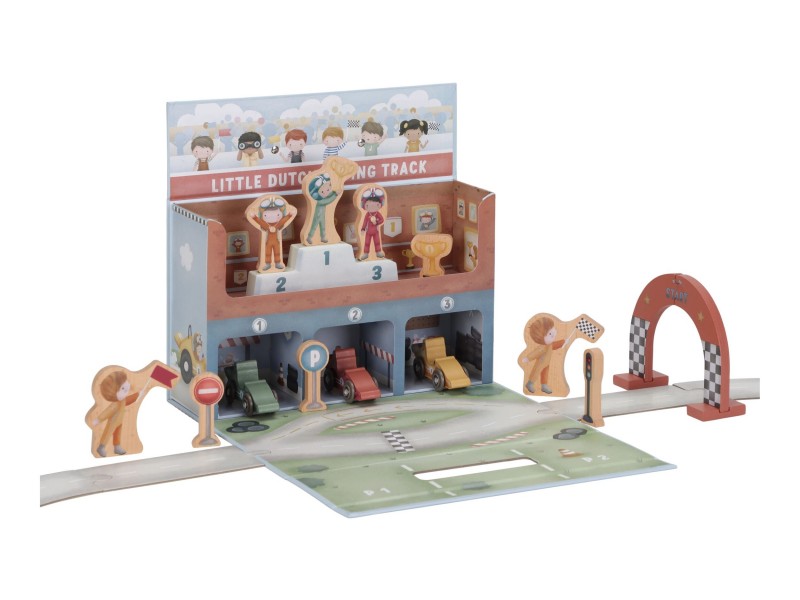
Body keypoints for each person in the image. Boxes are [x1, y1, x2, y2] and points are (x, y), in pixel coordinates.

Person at [91, 371, 141, 457]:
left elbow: (129, 400)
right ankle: (101, 447)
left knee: (117, 434)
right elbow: (107, 412)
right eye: (123, 389)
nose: (126, 390)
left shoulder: (122, 400)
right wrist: (98, 419)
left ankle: (117, 447)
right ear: (113, 392)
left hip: (119, 421)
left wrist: (138, 394)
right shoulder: (115, 404)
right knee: (108, 433)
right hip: (113, 422)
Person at [520, 317, 566, 394]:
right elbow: (535, 353)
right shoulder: (542, 347)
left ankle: (544, 385)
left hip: (547, 362)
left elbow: (556, 345)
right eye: (550, 334)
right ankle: (530, 383)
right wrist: (528, 358)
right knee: (536, 372)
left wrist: (564, 342)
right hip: (541, 362)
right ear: (541, 337)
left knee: (545, 374)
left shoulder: (550, 345)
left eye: (553, 330)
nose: (553, 334)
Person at [248, 196, 294, 270]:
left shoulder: (277, 225)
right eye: (266, 215)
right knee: (268, 253)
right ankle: (268, 264)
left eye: (277, 215)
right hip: (268, 242)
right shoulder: (267, 226)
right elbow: (260, 222)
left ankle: (277, 263)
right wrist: (254, 217)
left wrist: (289, 215)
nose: (272, 217)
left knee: (277, 252)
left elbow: (283, 220)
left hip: (276, 242)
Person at [305, 173, 337, 243]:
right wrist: (335, 195)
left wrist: (334, 192)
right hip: (317, 215)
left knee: (323, 226)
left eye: (329, 187)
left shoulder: (323, 196)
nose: (328, 191)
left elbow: (328, 194)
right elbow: (327, 201)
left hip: (322, 215)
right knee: (314, 225)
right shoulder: (319, 201)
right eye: (324, 191)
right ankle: (309, 237)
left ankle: (323, 237)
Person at [359, 187, 386, 260]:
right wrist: (363, 229)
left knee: (377, 242)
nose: (372, 206)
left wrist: (376, 222)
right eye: (368, 205)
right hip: (368, 232)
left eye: (376, 205)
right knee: (367, 242)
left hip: (375, 231)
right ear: (365, 206)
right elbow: (365, 222)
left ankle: (378, 252)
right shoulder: (367, 214)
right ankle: (366, 253)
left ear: (379, 205)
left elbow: (382, 220)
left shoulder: (377, 213)